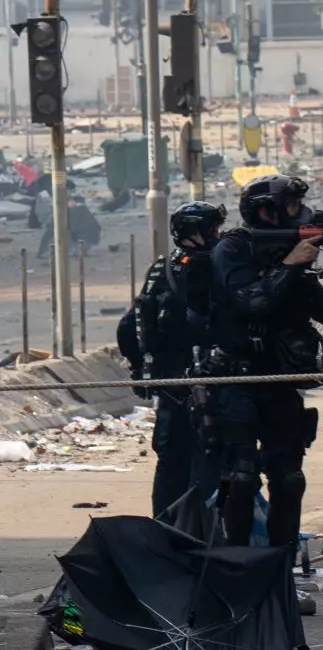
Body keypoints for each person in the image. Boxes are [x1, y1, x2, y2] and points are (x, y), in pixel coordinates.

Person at [209, 174, 323, 549]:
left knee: (289, 478)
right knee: (242, 477)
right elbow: (250, 303)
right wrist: (291, 265)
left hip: (281, 382)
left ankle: (281, 563)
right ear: (265, 211)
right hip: (239, 381)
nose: (299, 215)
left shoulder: (288, 255)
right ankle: (238, 563)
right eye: (292, 206)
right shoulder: (233, 249)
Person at [117, 201, 226, 517]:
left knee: (170, 464)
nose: (219, 235)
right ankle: (207, 536)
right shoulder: (217, 265)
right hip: (210, 385)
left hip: (168, 388)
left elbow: (129, 326)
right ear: (199, 231)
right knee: (212, 461)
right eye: (214, 229)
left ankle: (164, 533)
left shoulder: (162, 267)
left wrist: (140, 369)